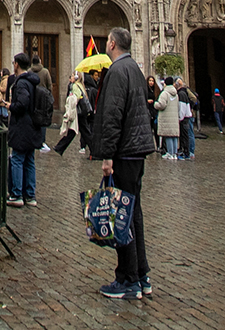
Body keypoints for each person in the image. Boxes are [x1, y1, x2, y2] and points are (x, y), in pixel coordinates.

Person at [88, 27, 155, 300]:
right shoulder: (137, 71)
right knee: (133, 214)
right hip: (137, 151)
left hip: (124, 152)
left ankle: (127, 279)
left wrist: (107, 156)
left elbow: (113, 115)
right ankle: (142, 275)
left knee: (121, 216)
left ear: (112, 43)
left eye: (107, 42)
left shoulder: (116, 72)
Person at [7, 51, 44, 207]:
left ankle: (16, 194)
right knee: (29, 160)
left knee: (17, 158)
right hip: (32, 126)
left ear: (17, 65)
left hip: (22, 125)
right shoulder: (32, 81)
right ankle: (30, 195)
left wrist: (11, 106)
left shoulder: (21, 82)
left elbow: (22, 103)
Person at [55, 74, 86, 155]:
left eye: (72, 76)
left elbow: (76, 97)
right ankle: (59, 147)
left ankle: (60, 147)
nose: (70, 77)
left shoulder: (76, 86)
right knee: (77, 131)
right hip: (78, 112)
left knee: (79, 131)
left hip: (78, 112)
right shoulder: (75, 85)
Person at [155, 76, 182, 159]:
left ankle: (170, 153)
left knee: (168, 136)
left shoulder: (164, 93)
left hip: (166, 117)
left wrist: (155, 104)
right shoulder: (176, 94)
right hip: (174, 117)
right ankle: (174, 153)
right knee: (174, 136)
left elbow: (162, 105)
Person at [177, 79, 197, 159]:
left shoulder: (183, 92)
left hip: (186, 116)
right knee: (187, 134)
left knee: (187, 134)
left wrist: (190, 108)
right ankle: (188, 151)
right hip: (187, 115)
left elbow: (193, 99)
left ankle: (189, 152)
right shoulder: (185, 91)